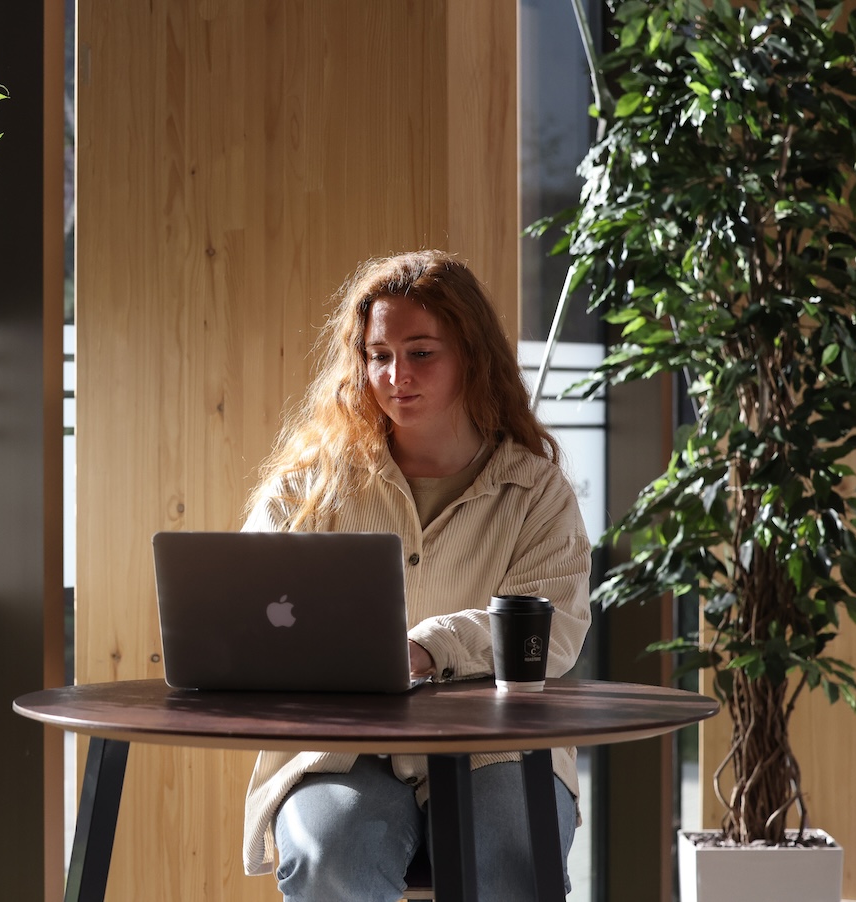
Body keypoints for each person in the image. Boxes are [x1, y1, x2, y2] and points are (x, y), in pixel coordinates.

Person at [240, 250, 592, 901]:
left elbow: (555, 630)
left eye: (421, 352)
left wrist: (429, 647)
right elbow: (243, 602)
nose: (396, 375)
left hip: (498, 750)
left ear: (471, 356)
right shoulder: (310, 488)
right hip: (344, 750)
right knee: (330, 850)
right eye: (378, 355)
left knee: (507, 852)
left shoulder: (535, 490)